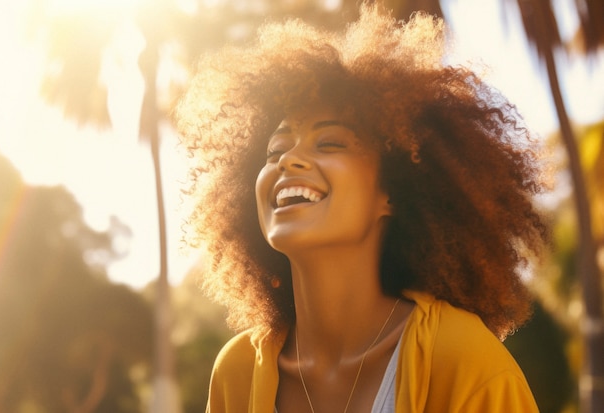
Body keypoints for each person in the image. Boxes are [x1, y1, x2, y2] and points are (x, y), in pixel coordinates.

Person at [176, 4, 551, 412]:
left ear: (392, 190)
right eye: (275, 150)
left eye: (331, 143)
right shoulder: (237, 372)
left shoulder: (463, 360)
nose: (288, 160)